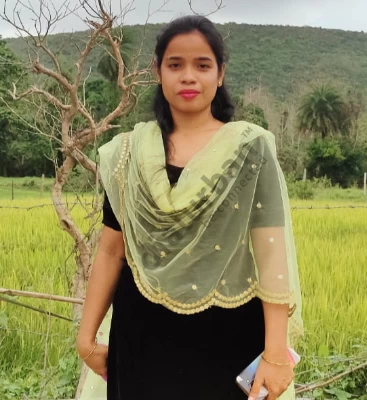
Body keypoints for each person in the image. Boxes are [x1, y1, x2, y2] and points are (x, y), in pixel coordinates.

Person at [76, 15, 304, 400]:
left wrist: (276, 353)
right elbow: (112, 249)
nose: (188, 77)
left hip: (228, 337)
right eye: (175, 65)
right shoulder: (129, 153)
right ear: (158, 71)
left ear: (220, 74)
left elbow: (271, 254)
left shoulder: (250, 148)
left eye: (202, 65)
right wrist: (86, 337)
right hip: (140, 338)